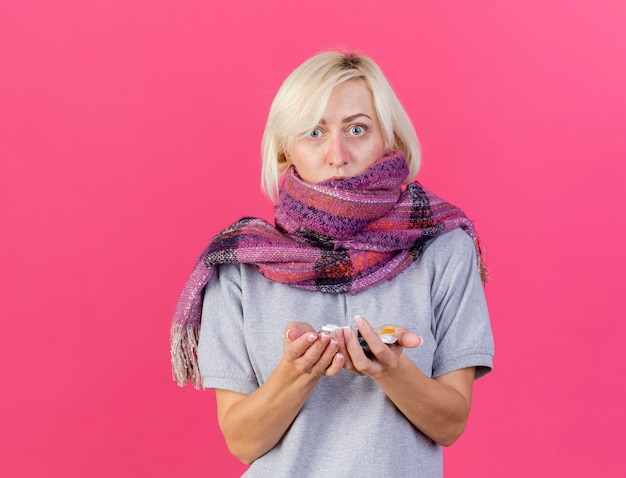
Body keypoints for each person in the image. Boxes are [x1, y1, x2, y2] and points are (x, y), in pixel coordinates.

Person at [171, 51, 494, 477]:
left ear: (388, 138)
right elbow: (243, 441)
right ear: (287, 148)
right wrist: (297, 372)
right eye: (314, 132)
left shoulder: (443, 247)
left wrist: (392, 370)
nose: (337, 154)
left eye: (357, 129)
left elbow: (450, 424)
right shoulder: (241, 264)